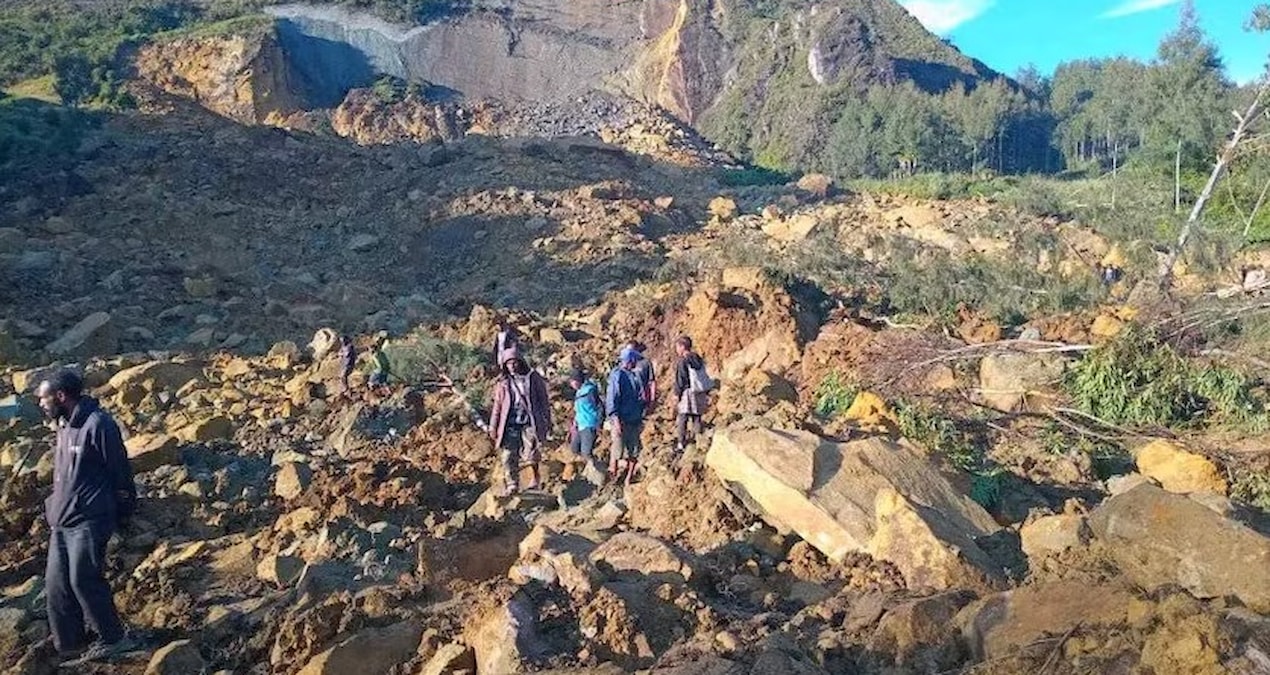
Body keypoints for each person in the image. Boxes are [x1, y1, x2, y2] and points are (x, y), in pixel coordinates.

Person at [36, 369, 138, 665]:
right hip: (61, 521)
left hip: (89, 519)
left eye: (43, 398)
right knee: (56, 586)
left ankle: (113, 639)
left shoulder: (99, 424)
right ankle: (70, 645)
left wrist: (125, 509)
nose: (41, 404)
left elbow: (120, 471)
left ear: (60, 396)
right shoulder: (63, 425)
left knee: (84, 580)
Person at [488, 347, 551, 496]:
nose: (512, 366)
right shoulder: (503, 383)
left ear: (520, 362)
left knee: (531, 453)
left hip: (529, 421)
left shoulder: (532, 378)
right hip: (510, 422)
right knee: (509, 455)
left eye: (514, 363)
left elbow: (543, 401)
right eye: (508, 364)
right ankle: (512, 484)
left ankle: (535, 478)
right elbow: (497, 406)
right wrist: (493, 426)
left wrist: (547, 420)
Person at [606, 346, 646, 485]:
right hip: (621, 419)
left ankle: (628, 478)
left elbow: (639, 396)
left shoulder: (634, 375)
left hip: (634, 418)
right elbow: (612, 399)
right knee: (617, 448)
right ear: (629, 360)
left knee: (634, 450)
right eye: (634, 360)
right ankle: (613, 476)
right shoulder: (617, 375)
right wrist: (615, 419)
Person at [672, 336, 713, 453]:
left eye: (677, 346)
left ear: (682, 347)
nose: (676, 349)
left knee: (683, 417)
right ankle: (698, 439)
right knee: (697, 416)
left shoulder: (683, 360)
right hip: (699, 389)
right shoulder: (697, 357)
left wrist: (677, 394)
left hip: (687, 391)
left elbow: (681, 379)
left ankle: (681, 444)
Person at [569, 369, 603, 462]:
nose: (571, 384)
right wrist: (574, 423)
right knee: (574, 448)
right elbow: (578, 410)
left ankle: (596, 471)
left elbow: (599, 407)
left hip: (589, 424)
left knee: (586, 452)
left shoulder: (590, 391)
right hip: (580, 425)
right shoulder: (578, 393)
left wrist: (599, 424)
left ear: (578, 380)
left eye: (572, 381)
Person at [626, 341, 657, 412]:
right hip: (628, 403)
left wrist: (652, 400)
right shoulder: (625, 364)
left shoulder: (645, 363)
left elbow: (652, 382)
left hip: (643, 401)